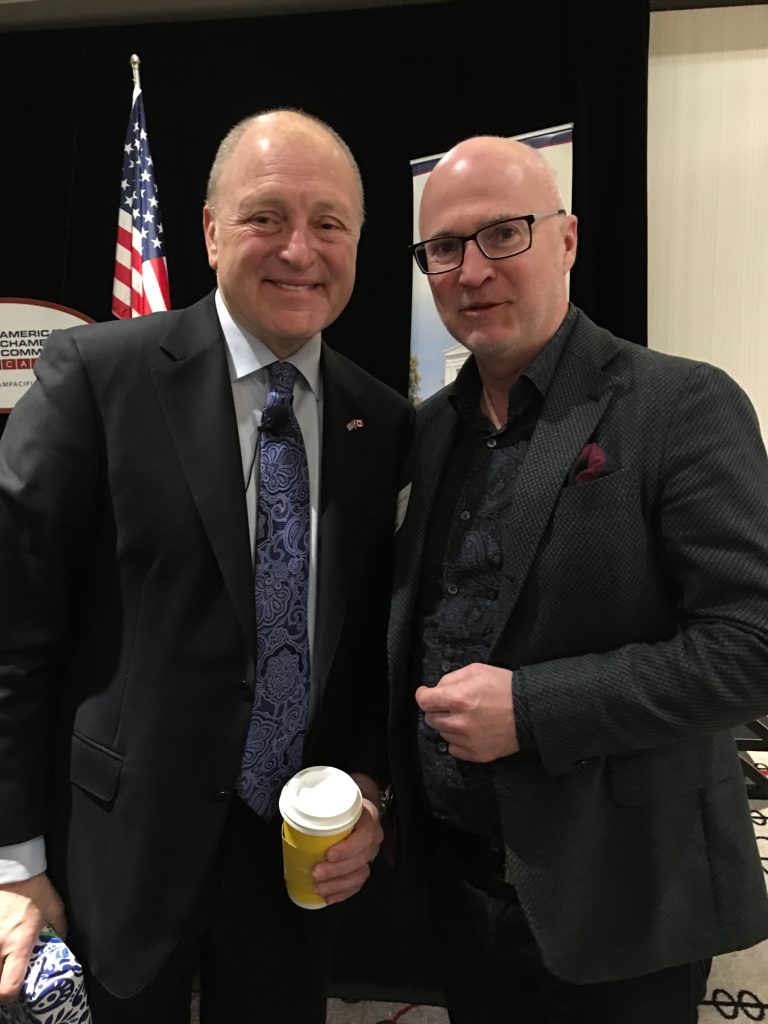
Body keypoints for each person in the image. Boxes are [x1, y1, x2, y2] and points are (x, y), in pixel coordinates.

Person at [0, 108, 412, 1023]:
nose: (300, 249)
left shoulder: (381, 421)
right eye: (266, 216)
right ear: (211, 230)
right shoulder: (96, 379)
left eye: (329, 223)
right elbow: (13, 634)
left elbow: (367, 646)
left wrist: (368, 789)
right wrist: (12, 862)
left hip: (292, 865)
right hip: (115, 857)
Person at [388, 134, 768, 1023]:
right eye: (443, 247)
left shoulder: (680, 403)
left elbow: (751, 647)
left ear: (566, 240)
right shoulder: (428, 432)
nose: (472, 270)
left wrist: (531, 709)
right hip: (462, 883)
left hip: (626, 893)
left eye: (503, 233)